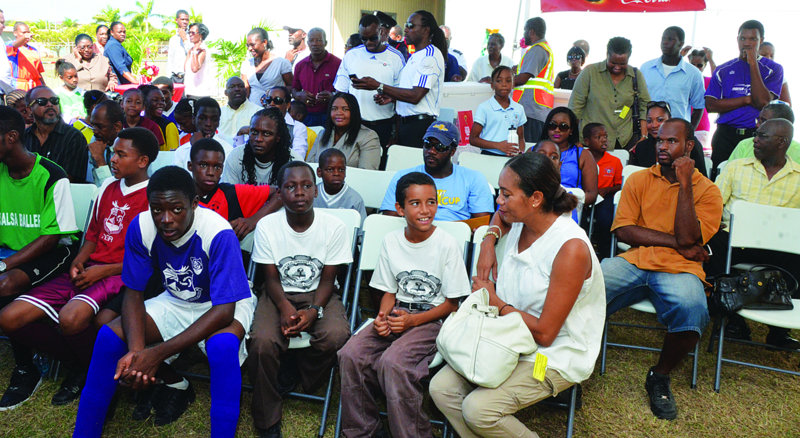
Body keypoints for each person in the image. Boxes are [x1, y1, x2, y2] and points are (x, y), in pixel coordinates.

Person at [431, 152, 606, 438]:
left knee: (479, 410)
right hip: (509, 335)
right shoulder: (521, 217)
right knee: (441, 389)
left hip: (553, 353)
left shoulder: (570, 249)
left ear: (535, 198)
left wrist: (496, 302)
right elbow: (499, 216)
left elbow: (546, 334)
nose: (499, 201)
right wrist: (488, 240)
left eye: (506, 194)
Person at [72, 166, 256, 437]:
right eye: (157, 210)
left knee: (222, 347)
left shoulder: (218, 232)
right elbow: (133, 294)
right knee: (109, 337)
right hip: (177, 298)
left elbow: (224, 311)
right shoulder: (141, 226)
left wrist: (156, 354)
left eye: (177, 209)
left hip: (224, 302)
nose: (166, 219)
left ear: (194, 203)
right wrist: (137, 354)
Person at [0, 127, 156, 407]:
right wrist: (79, 260)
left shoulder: (154, 197)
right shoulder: (107, 188)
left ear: (143, 161)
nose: (112, 159)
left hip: (120, 274)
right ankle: (79, 362)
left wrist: (102, 271)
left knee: (71, 318)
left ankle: (89, 372)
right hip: (91, 268)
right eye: (113, 153)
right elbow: (92, 236)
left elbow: (149, 257)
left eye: (121, 154)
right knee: (10, 317)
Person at [602, 118, 722, 420]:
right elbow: (624, 231)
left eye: (672, 141)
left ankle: (660, 375)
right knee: (584, 285)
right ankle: (570, 359)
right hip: (636, 260)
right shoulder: (639, 179)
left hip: (681, 269)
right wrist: (677, 243)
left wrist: (685, 184)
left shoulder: (708, 190)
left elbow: (691, 237)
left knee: (693, 309)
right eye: (660, 140)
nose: (663, 146)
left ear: (689, 146)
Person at [339, 171, 470, 438]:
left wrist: (412, 321)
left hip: (433, 319)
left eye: (431, 202)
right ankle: (363, 431)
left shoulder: (446, 244)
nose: (425, 210)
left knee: (394, 362)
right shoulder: (391, 241)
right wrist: (382, 317)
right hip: (398, 312)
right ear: (400, 209)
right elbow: (389, 291)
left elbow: (452, 304)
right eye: (415, 203)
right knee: (350, 354)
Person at [248, 161, 352, 438]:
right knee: (261, 342)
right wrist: (284, 308)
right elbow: (270, 278)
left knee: (336, 335)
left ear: (315, 190)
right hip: (278, 292)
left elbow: (328, 280)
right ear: (280, 193)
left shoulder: (334, 227)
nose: (299, 193)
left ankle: (298, 370)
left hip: (319, 293)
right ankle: (267, 418)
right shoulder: (268, 225)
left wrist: (314, 310)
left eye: (306, 186)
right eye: (290, 187)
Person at [0, 106, 79, 410]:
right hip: (9, 251)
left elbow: (51, 237)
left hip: (53, 251)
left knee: (6, 284)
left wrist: (5, 263)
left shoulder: (51, 174)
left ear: (11, 137)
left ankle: (26, 368)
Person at [708, 118, 800, 348]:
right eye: (755, 135)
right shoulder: (736, 168)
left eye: (762, 136)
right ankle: (733, 319)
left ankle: (779, 331)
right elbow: (713, 205)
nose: (754, 140)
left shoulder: (798, 177)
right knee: (710, 246)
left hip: (778, 246)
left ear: (782, 142)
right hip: (734, 242)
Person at [352, 10, 446, 148]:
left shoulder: (430, 56)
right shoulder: (416, 55)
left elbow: (415, 96)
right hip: (405, 124)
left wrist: (379, 86)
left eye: (411, 26)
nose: (406, 29)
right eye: (406, 25)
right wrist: (392, 98)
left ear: (426, 30)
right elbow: (408, 93)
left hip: (419, 126)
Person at [705, 20, 783, 173]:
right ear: (737, 40)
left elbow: (762, 102)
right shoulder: (722, 69)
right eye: (742, 38)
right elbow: (710, 105)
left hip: (756, 136)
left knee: (753, 178)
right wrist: (747, 99)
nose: (746, 43)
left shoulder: (773, 69)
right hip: (725, 135)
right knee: (720, 177)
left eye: (752, 39)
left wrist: (752, 63)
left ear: (761, 40)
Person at [381, 121, 493, 221]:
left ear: (452, 151)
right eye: (428, 144)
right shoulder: (403, 177)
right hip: (414, 233)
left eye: (440, 146)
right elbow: (390, 220)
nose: (431, 151)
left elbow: (481, 224)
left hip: (455, 235)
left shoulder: (474, 179)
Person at [334, 14, 405, 150]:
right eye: (364, 39)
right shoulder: (351, 56)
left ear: (381, 32)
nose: (368, 43)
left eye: (373, 38)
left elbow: (403, 93)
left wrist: (391, 97)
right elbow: (340, 92)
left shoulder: (396, 57)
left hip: (383, 125)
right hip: (355, 125)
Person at [188, 138, 282, 239]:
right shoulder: (181, 195)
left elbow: (281, 192)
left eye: (217, 167)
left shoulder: (231, 193)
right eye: (203, 165)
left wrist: (253, 220)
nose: (210, 172)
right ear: (190, 166)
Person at [569, 37, 650, 150]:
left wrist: (644, 136)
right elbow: (575, 108)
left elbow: (644, 106)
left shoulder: (636, 76)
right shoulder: (590, 73)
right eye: (613, 62)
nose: (617, 67)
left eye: (622, 63)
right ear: (607, 54)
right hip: (592, 143)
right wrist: (575, 140)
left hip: (625, 142)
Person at [641, 27, 705, 129]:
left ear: (681, 44)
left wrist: (688, 132)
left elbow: (699, 107)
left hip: (677, 132)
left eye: (670, 39)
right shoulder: (646, 68)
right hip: (649, 131)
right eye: (663, 38)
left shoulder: (694, 74)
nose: (665, 42)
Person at [24, 86, 89, 182]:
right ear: (29, 109)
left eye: (54, 100)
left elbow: (69, 179)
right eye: (42, 101)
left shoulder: (73, 137)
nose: (50, 104)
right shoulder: (23, 137)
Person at [629, 101, 708, 176]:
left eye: (660, 120)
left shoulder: (688, 143)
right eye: (649, 121)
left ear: (670, 120)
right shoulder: (642, 147)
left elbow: (702, 179)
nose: (654, 125)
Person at [541, 107, 599, 206]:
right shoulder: (533, 151)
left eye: (563, 126)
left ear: (571, 130)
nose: (557, 130)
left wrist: (567, 203)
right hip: (536, 205)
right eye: (552, 125)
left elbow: (591, 194)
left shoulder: (583, 155)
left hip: (569, 206)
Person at [309, 92, 381, 169]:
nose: (339, 113)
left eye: (345, 109)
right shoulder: (322, 134)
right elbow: (309, 166)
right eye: (334, 109)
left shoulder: (368, 136)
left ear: (353, 112)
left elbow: (367, 172)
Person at [223, 108, 292, 186]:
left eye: (266, 134)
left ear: (278, 137)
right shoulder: (236, 156)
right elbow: (227, 192)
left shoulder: (292, 161)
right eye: (254, 132)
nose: (258, 139)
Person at [583, 123, 621, 257]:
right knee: (580, 219)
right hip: (585, 196)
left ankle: (604, 253)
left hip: (604, 197)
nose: (604, 140)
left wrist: (607, 189)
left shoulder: (614, 161)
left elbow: (620, 185)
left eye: (605, 136)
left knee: (605, 219)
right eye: (598, 137)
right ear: (587, 141)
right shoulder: (581, 157)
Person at [513, 17, 554, 142]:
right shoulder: (544, 48)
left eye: (525, 30)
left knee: (529, 149)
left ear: (531, 32)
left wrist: (500, 82)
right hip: (537, 109)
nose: (524, 34)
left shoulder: (537, 50)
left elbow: (523, 78)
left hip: (531, 111)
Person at [469, 66, 526, 156]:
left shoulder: (519, 108)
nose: (504, 84)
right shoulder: (484, 107)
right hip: (488, 155)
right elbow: (473, 139)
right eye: (499, 81)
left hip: (511, 157)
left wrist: (520, 153)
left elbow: (521, 138)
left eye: (508, 81)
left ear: (513, 84)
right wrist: (498, 146)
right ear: (492, 85)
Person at [292, 28, 341, 127]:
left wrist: (332, 96)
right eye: (311, 40)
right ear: (308, 43)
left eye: (319, 40)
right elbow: (294, 89)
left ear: (325, 43)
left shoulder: (338, 64)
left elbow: (345, 91)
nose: (315, 44)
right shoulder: (300, 65)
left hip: (330, 115)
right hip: (306, 116)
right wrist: (299, 95)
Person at [173, 97, 232, 172]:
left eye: (214, 119)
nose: (208, 124)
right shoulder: (181, 152)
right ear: (194, 119)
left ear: (218, 121)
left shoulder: (227, 150)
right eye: (202, 118)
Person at [729, 102, 800, 163]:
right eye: (758, 120)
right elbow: (730, 171)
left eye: (763, 121)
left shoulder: (798, 151)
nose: (757, 125)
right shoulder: (744, 145)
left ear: (783, 126)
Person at [312, 148, 366, 222]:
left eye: (341, 170)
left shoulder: (355, 200)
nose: (336, 173)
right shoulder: (311, 194)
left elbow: (361, 228)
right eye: (330, 169)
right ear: (319, 172)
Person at [242, 28, 293, 106]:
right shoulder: (247, 64)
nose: (249, 48)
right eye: (247, 45)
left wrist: (274, 96)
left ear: (264, 42)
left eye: (252, 45)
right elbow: (246, 90)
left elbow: (291, 86)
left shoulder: (281, 63)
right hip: (253, 110)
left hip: (274, 109)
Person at [262, 86, 308, 159]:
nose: (271, 103)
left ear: (288, 105)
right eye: (268, 100)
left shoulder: (298, 127)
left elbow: (299, 156)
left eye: (277, 100)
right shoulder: (259, 123)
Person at [87, 100, 124, 185]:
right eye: (93, 126)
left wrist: (100, 161)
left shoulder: (129, 148)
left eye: (100, 127)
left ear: (117, 127)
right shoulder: (96, 139)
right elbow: (92, 184)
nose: (95, 131)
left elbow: (113, 190)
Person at [687, 48, 715, 151]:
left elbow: (717, 78)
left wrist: (711, 59)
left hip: (701, 127)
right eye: (692, 64)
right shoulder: (682, 81)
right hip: (683, 124)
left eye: (699, 65)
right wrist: (679, 56)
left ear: (705, 65)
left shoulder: (706, 81)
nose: (696, 68)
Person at [219, 76, 261, 142]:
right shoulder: (219, 113)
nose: (237, 89)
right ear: (225, 92)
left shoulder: (258, 112)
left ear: (246, 90)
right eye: (232, 87)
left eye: (240, 86)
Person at [6, 22, 45, 91]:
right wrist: (24, 37)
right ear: (15, 33)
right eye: (24, 33)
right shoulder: (11, 46)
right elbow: (14, 45)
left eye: (28, 32)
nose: (27, 35)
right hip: (19, 86)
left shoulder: (34, 50)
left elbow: (38, 72)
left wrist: (44, 86)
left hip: (35, 85)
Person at [140, 85, 179, 151]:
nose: (161, 103)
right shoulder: (138, 123)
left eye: (163, 100)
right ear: (144, 102)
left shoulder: (168, 126)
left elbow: (171, 154)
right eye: (155, 100)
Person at [184, 23, 213, 98]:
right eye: (189, 32)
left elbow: (194, 68)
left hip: (200, 93)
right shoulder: (191, 50)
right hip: (190, 91)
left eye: (193, 33)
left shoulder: (202, 50)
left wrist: (194, 52)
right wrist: (192, 51)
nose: (190, 35)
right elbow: (186, 69)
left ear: (201, 35)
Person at [167, 10, 191, 84]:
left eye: (187, 20)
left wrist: (184, 39)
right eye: (182, 19)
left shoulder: (191, 37)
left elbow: (192, 54)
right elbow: (170, 59)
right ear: (176, 20)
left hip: (188, 77)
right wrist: (168, 78)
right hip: (174, 78)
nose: (185, 22)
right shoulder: (173, 39)